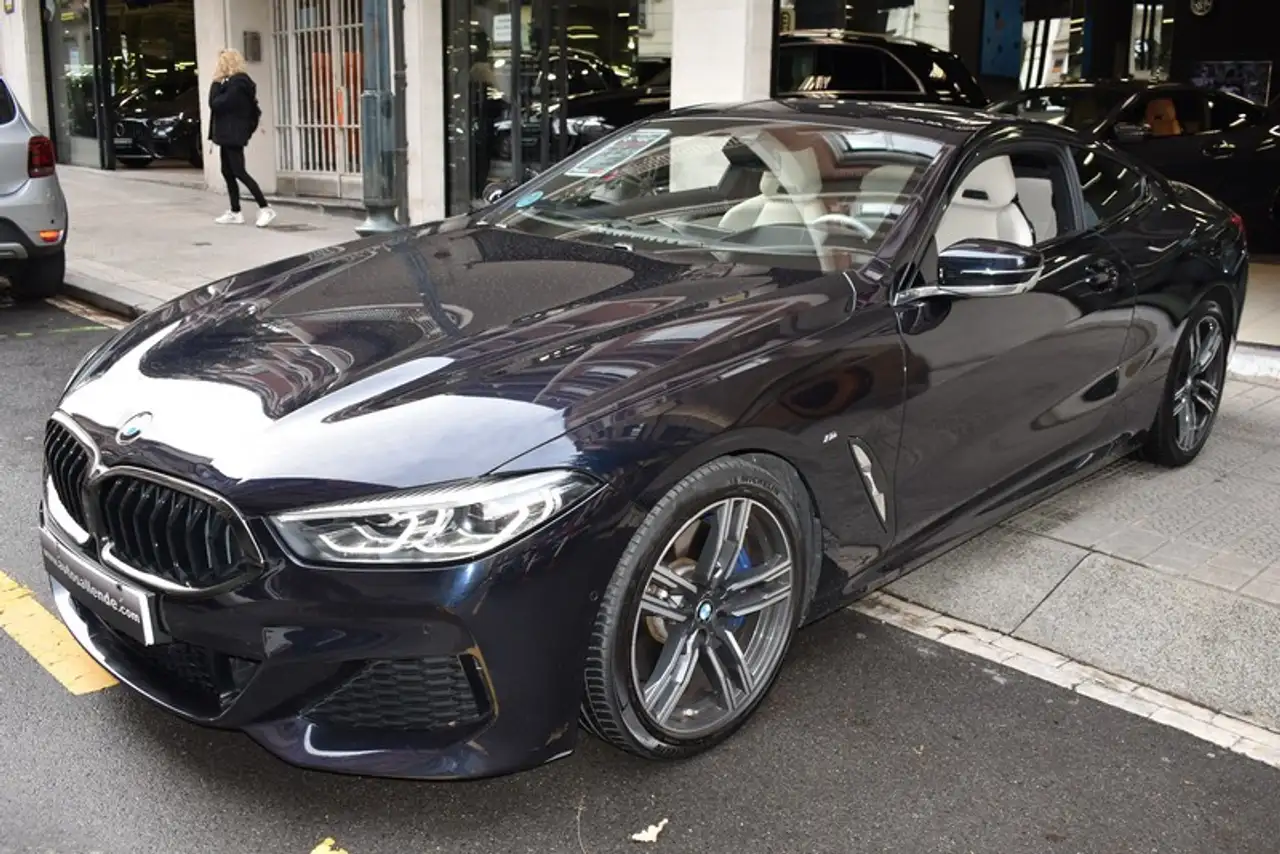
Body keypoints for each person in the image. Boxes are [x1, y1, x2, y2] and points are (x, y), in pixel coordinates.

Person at [208, 49, 276, 227]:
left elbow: (216, 104)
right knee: (227, 171)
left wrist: (216, 82)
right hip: (229, 134)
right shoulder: (235, 83)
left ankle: (265, 207)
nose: (218, 67)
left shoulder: (237, 84)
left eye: (220, 63)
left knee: (238, 171)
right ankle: (235, 211)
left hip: (233, 134)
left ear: (226, 64)